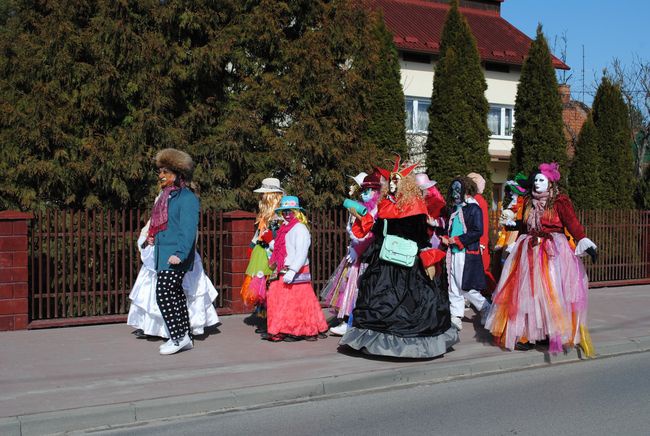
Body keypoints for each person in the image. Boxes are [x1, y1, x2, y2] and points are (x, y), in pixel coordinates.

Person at [339, 156, 457, 358]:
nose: (392, 184)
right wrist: (365, 219)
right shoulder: (386, 204)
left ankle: (406, 344)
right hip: (385, 258)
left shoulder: (415, 206)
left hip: (408, 262)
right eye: (391, 181)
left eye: (396, 181)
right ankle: (372, 340)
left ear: (405, 184)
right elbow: (380, 231)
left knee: (409, 300)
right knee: (378, 295)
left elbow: (419, 234)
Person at [485, 163, 597, 355]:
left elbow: (572, 223)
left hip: (553, 251)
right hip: (529, 249)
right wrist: (513, 229)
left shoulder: (559, 201)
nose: (537, 183)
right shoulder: (528, 201)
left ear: (550, 182)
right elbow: (525, 226)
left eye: (541, 180)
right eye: (535, 180)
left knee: (551, 292)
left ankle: (553, 333)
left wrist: (584, 240)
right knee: (529, 294)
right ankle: (529, 334)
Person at [127, 220, 219, 340]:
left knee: (180, 289)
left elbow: (189, 228)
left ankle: (183, 328)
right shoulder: (160, 202)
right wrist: (149, 237)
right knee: (154, 289)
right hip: (160, 251)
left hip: (179, 251)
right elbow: (152, 223)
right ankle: (152, 327)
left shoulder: (183, 203)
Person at [148, 148, 201, 355]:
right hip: (165, 255)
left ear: (177, 174)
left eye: (164, 171)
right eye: (160, 171)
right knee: (175, 294)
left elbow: (188, 230)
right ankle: (184, 335)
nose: (160, 175)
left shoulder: (187, 198)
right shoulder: (167, 197)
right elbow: (167, 225)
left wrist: (180, 254)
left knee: (164, 294)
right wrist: (154, 236)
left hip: (176, 256)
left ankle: (178, 336)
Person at [322, 172, 382, 336]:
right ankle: (347, 319)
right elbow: (355, 230)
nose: (364, 194)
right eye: (363, 190)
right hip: (355, 253)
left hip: (367, 256)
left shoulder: (378, 210)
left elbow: (372, 234)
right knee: (348, 286)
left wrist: (358, 249)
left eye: (368, 190)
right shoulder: (362, 208)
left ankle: (353, 321)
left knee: (358, 288)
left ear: (376, 191)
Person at [265, 196, 329, 342]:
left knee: (298, 302)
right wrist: (272, 243)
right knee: (282, 301)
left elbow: (301, 252)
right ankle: (284, 328)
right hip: (284, 269)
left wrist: (293, 270)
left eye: (290, 211)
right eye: (284, 211)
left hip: (296, 270)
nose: (287, 214)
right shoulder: (284, 228)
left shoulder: (300, 228)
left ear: (296, 211)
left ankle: (299, 330)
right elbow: (285, 247)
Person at [441, 177, 490, 331]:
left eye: (458, 190)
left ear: (466, 191)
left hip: (466, 252)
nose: (455, 194)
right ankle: (456, 315)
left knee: (466, 285)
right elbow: (452, 226)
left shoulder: (474, 208)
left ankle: (485, 308)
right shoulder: (456, 209)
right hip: (454, 252)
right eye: (454, 190)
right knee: (453, 284)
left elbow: (477, 231)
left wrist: (458, 240)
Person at [240, 178, 284, 333]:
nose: (261, 198)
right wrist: (253, 244)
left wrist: (271, 238)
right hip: (261, 252)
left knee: (270, 285)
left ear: (271, 196)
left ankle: (274, 320)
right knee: (260, 285)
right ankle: (265, 319)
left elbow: (281, 236)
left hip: (271, 253)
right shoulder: (264, 215)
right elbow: (259, 232)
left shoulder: (280, 215)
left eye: (264, 195)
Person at [466, 172, 496, 292]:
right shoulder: (477, 200)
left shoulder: (476, 200)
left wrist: (482, 242)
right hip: (476, 240)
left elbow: (482, 223)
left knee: (480, 268)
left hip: (476, 240)